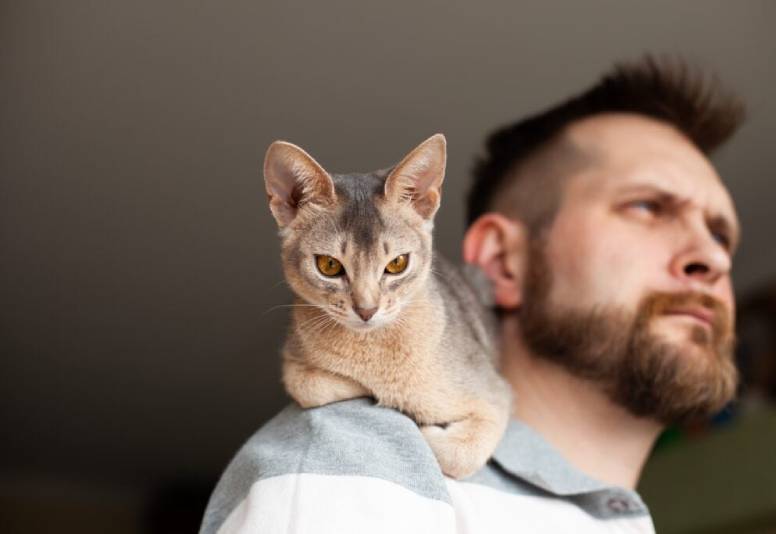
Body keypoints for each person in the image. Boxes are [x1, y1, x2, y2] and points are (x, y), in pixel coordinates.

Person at [200, 56, 744, 533]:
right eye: (648, 207)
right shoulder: (348, 467)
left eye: (722, 234)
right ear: (502, 259)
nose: (714, 257)